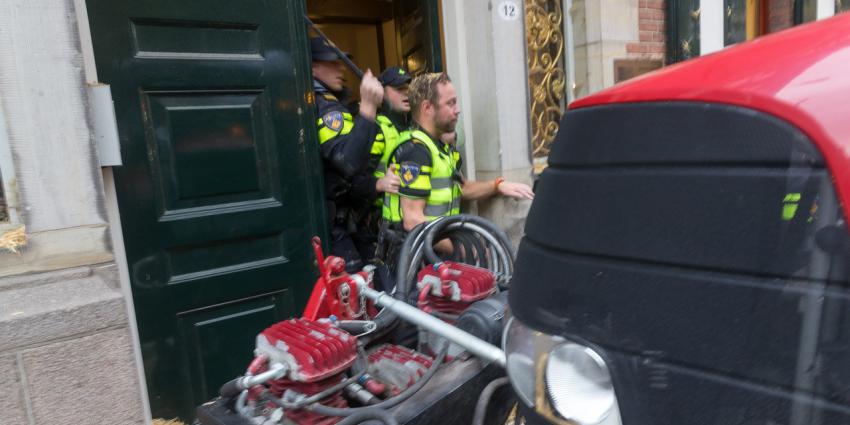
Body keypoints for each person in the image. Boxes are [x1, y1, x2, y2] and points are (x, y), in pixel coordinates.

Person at [383, 72, 534, 237]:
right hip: (415, 256)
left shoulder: (439, 147)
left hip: (433, 249)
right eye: (450, 103)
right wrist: (459, 247)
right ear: (427, 108)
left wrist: (497, 186)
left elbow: (461, 187)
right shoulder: (416, 151)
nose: (458, 110)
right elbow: (413, 221)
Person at [310, 36, 398, 271]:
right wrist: (368, 108)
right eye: (332, 63)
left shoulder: (335, 104)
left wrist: (375, 185)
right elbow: (347, 163)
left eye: (341, 62)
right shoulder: (324, 106)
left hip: (352, 219)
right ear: (313, 67)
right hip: (334, 227)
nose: (340, 68)